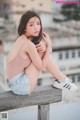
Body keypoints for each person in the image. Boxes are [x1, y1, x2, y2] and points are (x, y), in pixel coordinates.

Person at [6, 10, 78, 95]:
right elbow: (42, 68)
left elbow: (32, 53)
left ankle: (61, 79)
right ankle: (61, 80)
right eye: (31, 24)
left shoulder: (20, 38)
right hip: (21, 86)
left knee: (42, 51)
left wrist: (45, 47)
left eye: (38, 23)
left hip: (12, 83)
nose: (36, 27)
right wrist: (49, 46)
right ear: (25, 27)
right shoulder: (29, 45)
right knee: (43, 53)